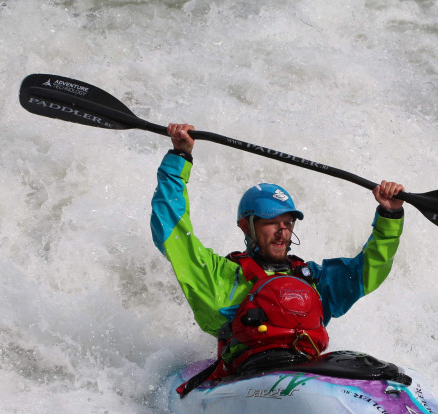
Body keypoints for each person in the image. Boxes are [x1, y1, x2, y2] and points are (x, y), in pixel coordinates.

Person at [150, 123, 406, 384]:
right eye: (271, 222)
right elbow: (171, 230)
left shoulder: (312, 280)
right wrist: (180, 157)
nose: (282, 231)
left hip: (305, 377)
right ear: (245, 227)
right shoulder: (221, 277)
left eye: (288, 223)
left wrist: (390, 215)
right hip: (247, 378)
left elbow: (368, 270)